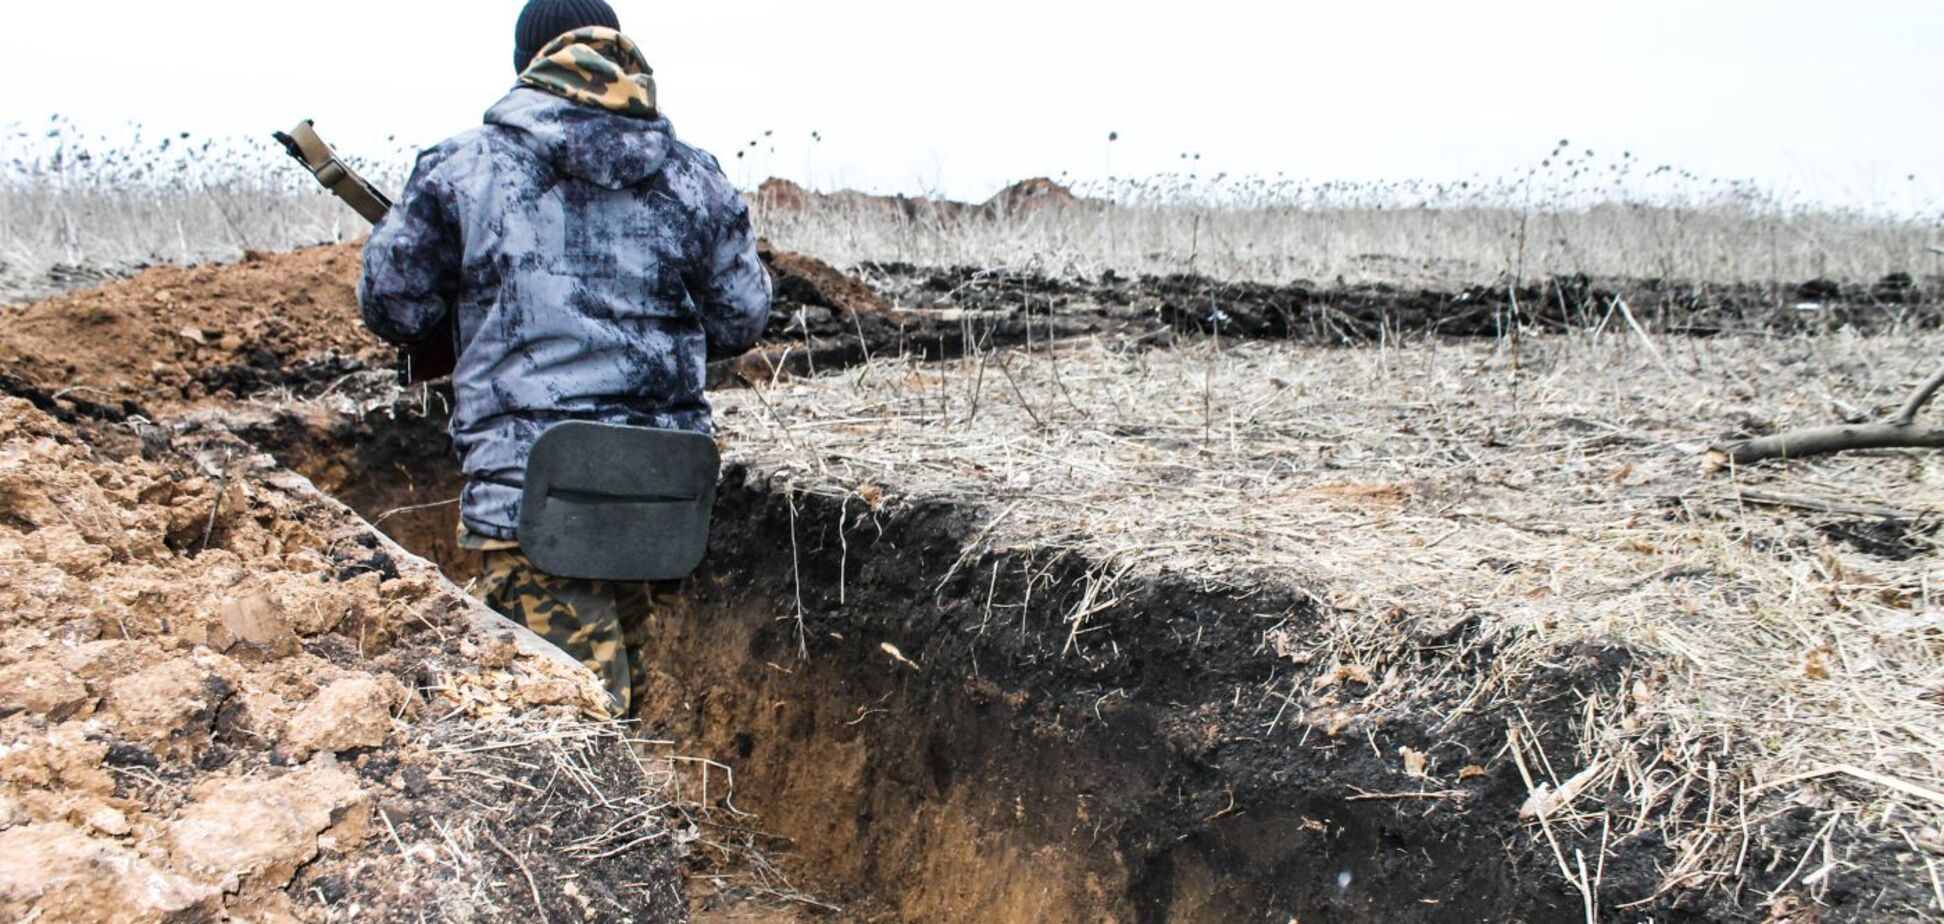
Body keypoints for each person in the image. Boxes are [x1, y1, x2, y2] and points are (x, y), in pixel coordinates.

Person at [358, 0, 772, 715]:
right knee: (616, 699)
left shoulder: (464, 168)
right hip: (662, 490)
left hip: (534, 494)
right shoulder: (695, 176)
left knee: (555, 732)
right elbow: (742, 317)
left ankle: (624, 822)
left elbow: (394, 308)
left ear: (527, 65)